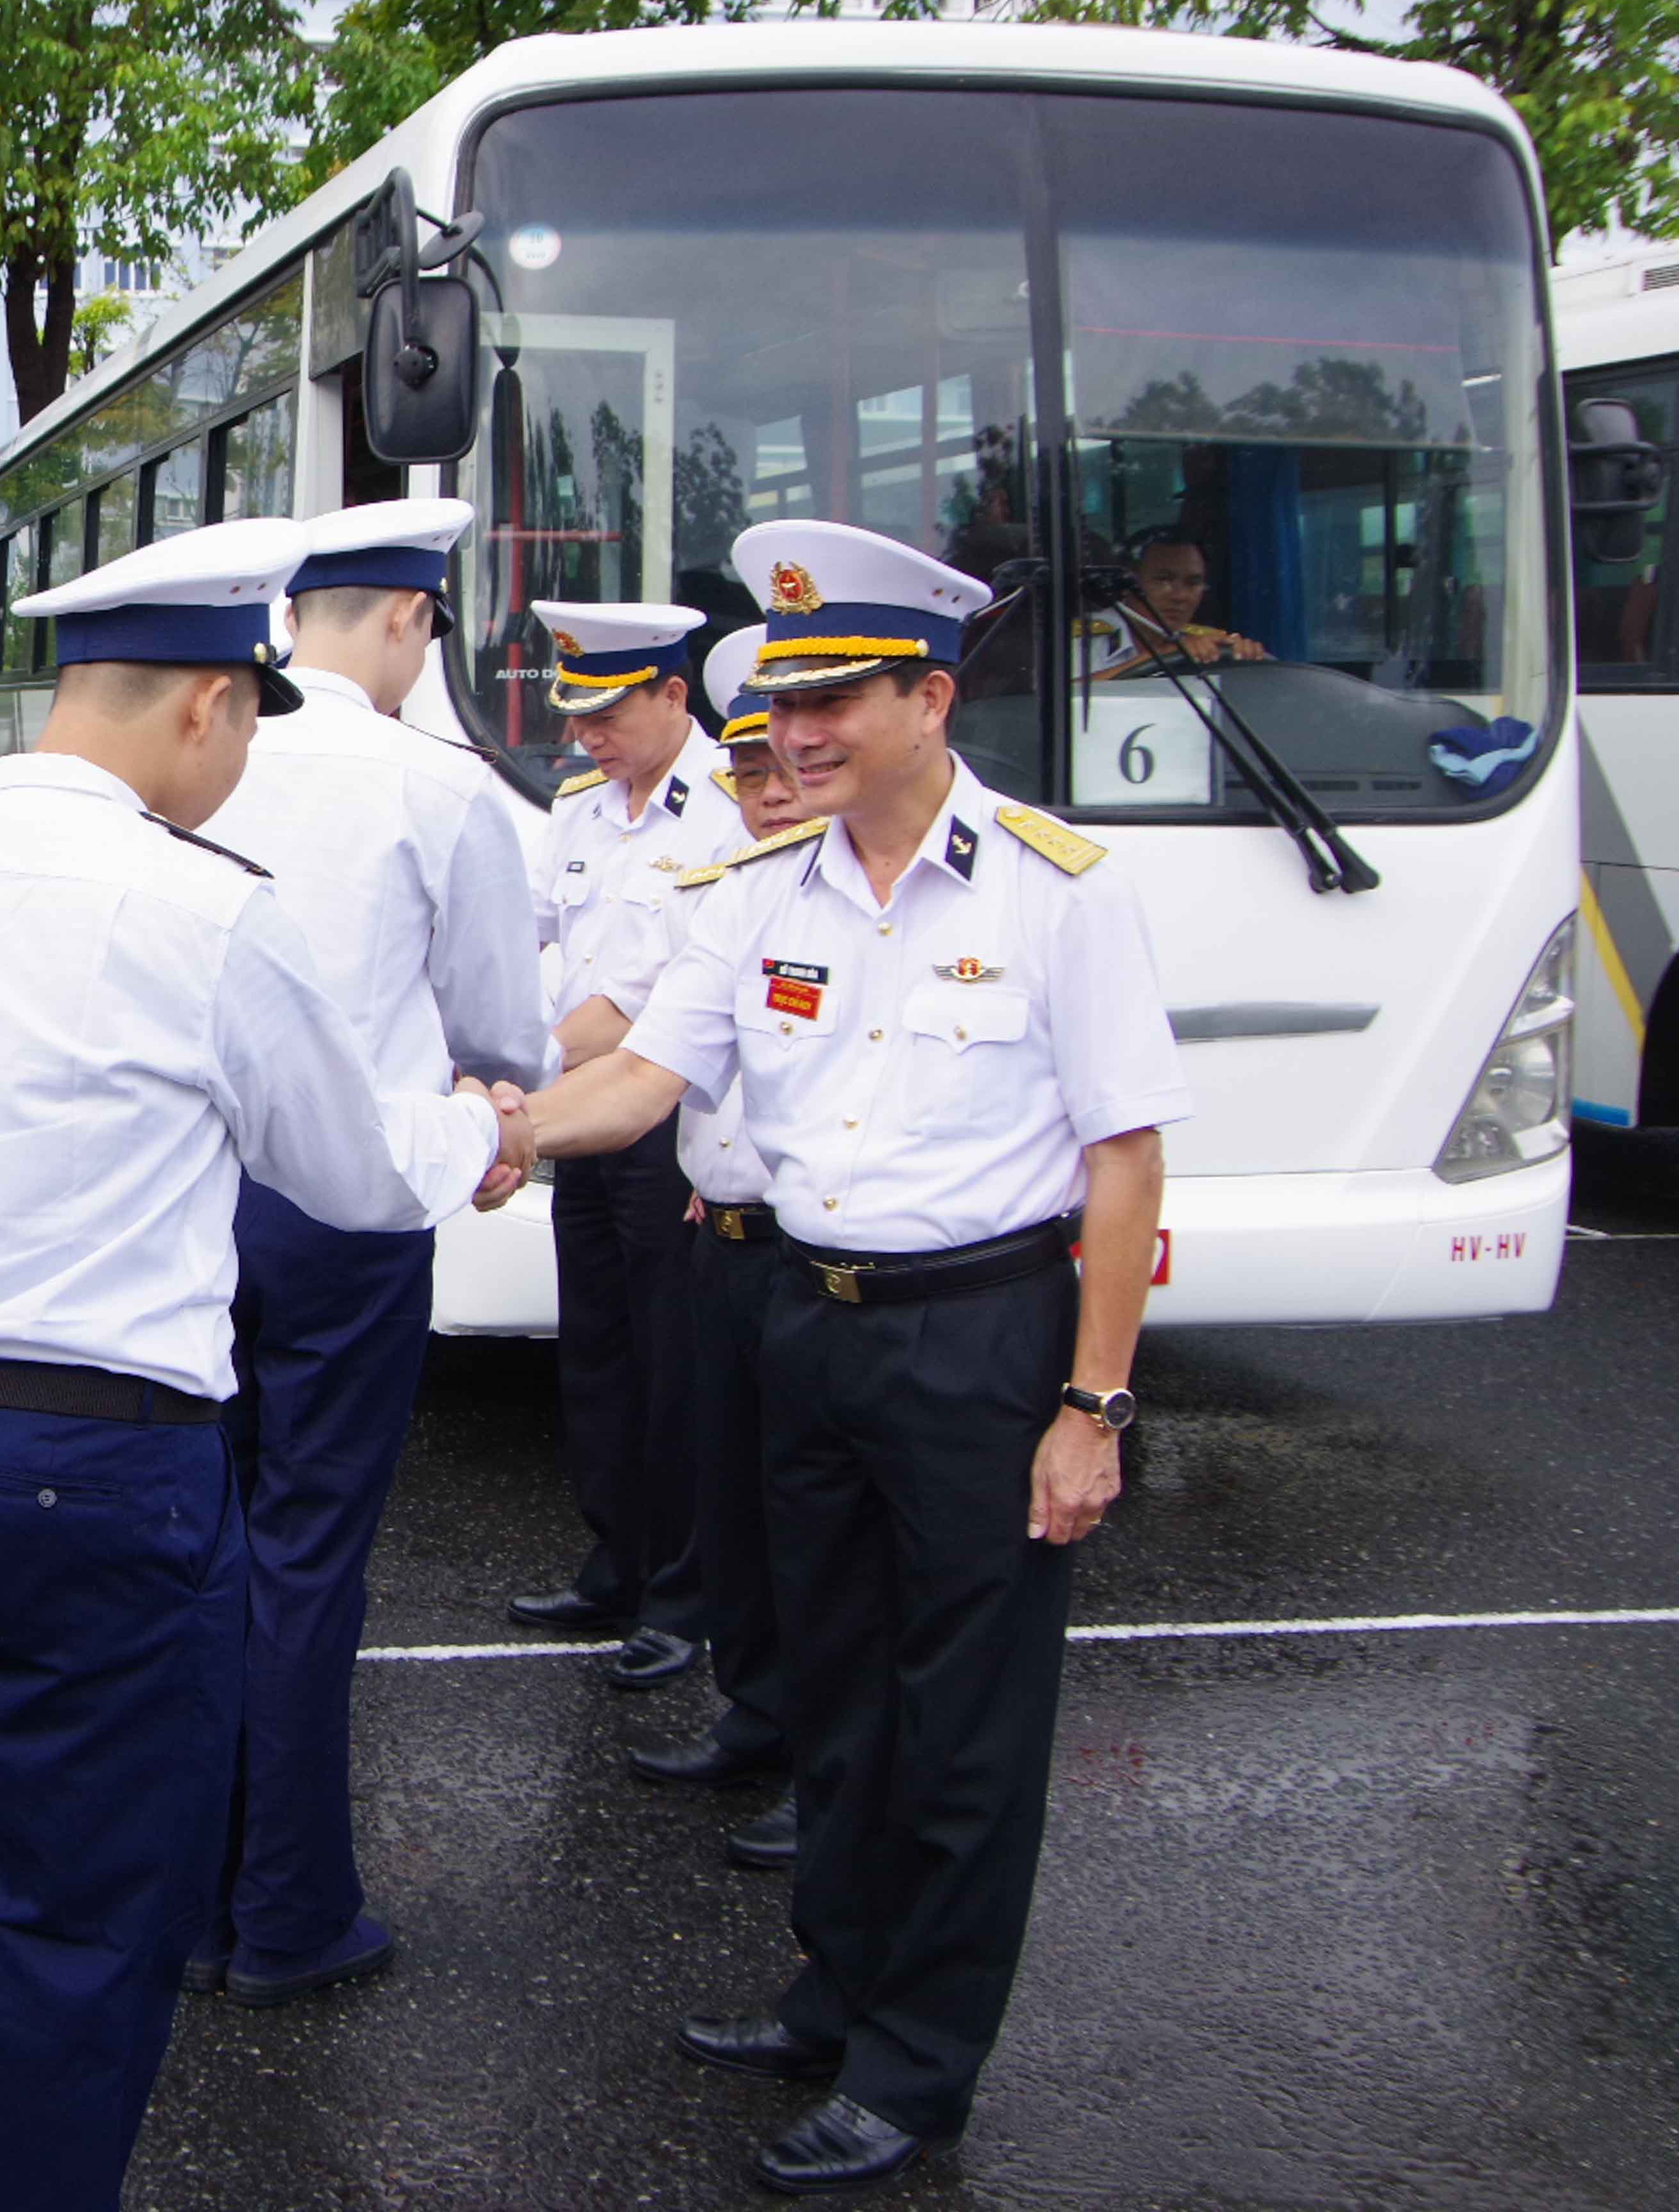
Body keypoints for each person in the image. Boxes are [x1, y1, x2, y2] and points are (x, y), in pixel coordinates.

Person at [0, 516, 536, 2211]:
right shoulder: (202, 909)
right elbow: (353, 1172)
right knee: (82, 1918)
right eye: (248, 726)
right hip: (99, 1467)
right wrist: (479, 1128)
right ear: (209, 704)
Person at [508, 519, 1188, 2193]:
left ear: (931, 700)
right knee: (834, 1695)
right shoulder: (756, 894)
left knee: (963, 1727)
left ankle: (916, 2065)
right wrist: (497, 1135)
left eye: (835, 703)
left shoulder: (1056, 891)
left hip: (984, 1343)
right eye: (784, 706)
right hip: (811, 1326)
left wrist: (1094, 1403)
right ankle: (838, 1995)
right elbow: (641, 1084)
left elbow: (1126, 1160)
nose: (795, 736)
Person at [195, 498, 553, 2007]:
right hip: (349, 1214)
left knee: (203, 1547)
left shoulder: (202, 751)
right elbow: (500, 1029)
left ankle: (189, 1901)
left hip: (190, 1201)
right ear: (410, 618)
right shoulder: (437, 784)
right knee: (306, 1557)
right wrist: (496, 1112)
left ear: (291, 618)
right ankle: (285, 1913)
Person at [500, 600, 749, 1695]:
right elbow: (527, 939)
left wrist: (519, 1082)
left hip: (667, 1123)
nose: (584, 736)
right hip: (582, 1112)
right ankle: (616, 1563)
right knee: (596, 1351)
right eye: (575, 714)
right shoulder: (581, 810)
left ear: (673, 696)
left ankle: (683, 1596)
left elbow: (652, 1000)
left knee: (673, 1366)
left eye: (606, 714)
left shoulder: (733, 807)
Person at [634, 628, 814, 1862]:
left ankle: (828, 1764)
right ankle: (755, 1712)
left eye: (785, 771)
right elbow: (668, 1066)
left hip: (821, 1263)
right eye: (747, 774)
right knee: (733, 1500)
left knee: (817, 1525)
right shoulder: (732, 899)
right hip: (726, 1238)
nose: (767, 795)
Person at [1084, 528, 1267, 677]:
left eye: (1193, 583)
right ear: (1127, 584)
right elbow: (1068, 699)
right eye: (1164, 580)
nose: (1180, 596)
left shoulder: (1205, 643)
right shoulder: (1084, 639)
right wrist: (1157, 658)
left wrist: (1245, 659)